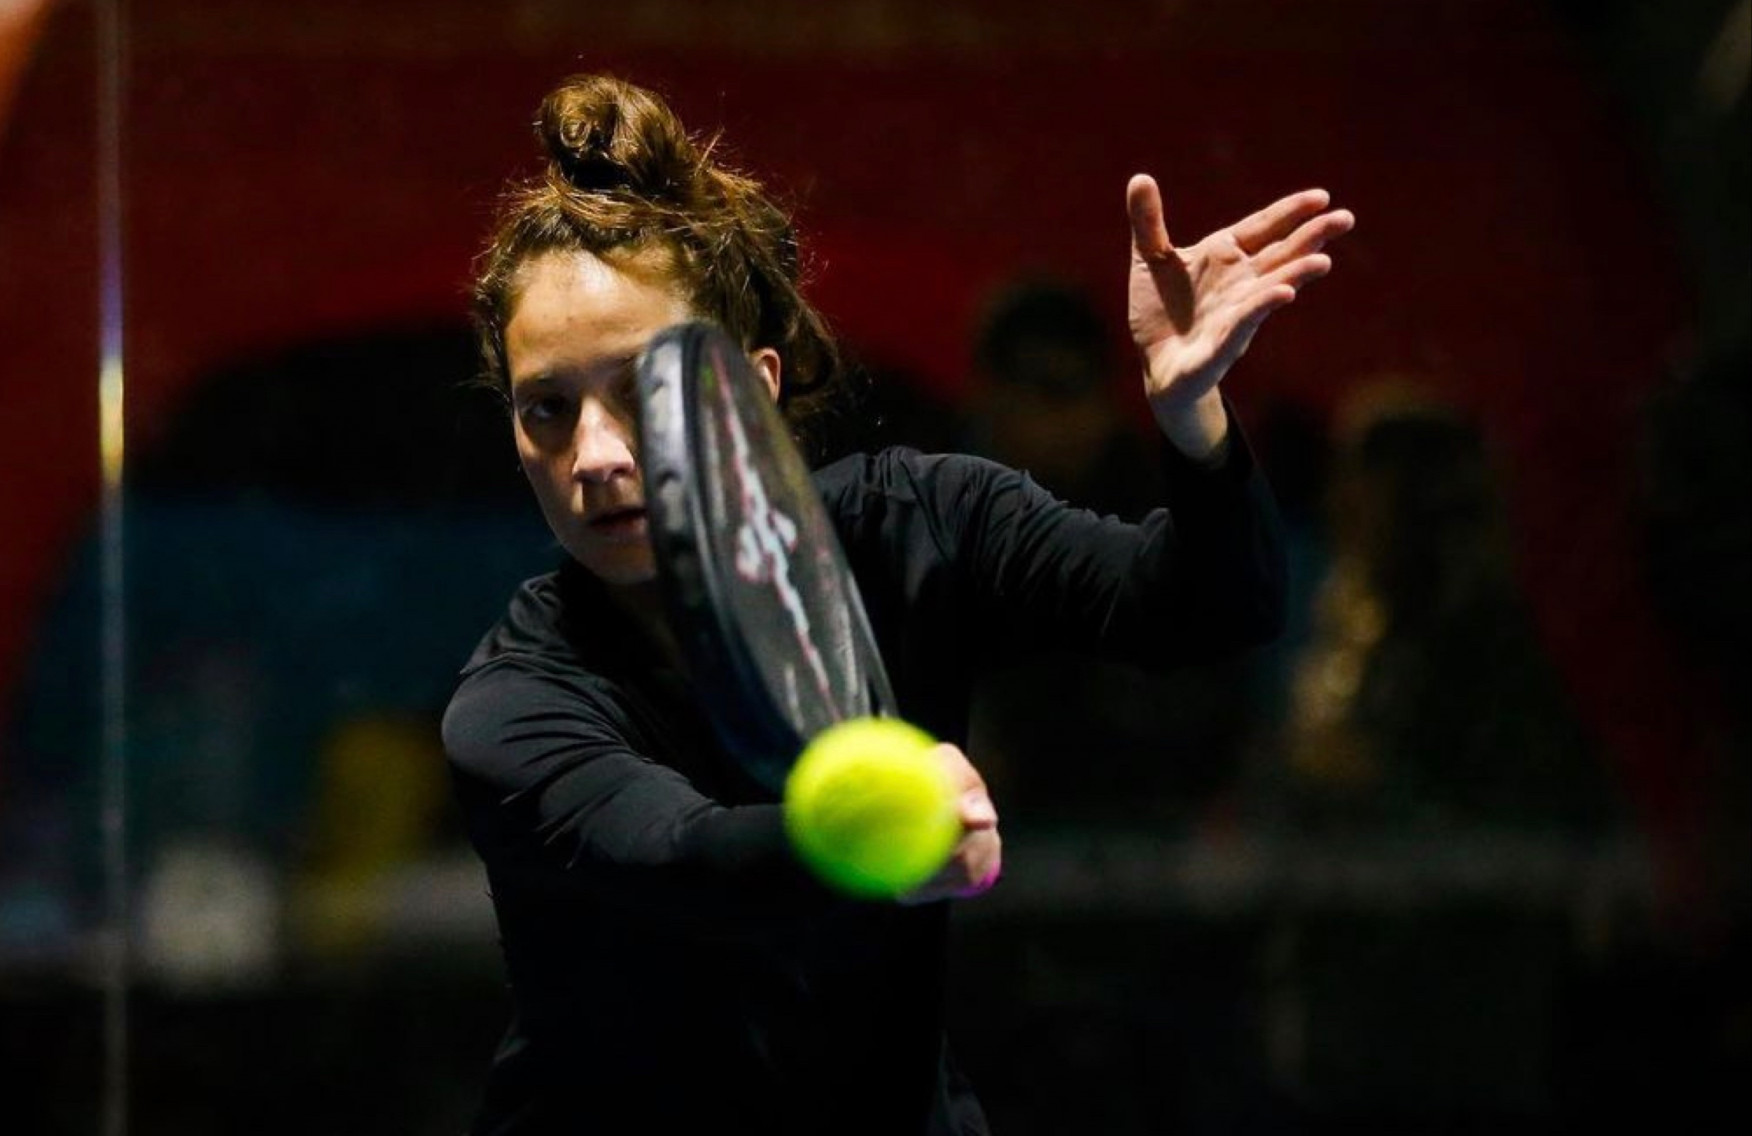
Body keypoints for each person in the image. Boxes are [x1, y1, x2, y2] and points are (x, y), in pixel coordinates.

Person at [440, 74, 1352, 1134]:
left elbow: (1212, 606)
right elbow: (681, 856)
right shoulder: (512, 704)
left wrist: (1191, 413)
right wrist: (887, 824)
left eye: (643, 389)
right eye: (548, 409)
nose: (594, 455)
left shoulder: (918, 520)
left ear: (749, 386)